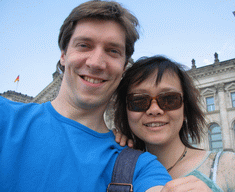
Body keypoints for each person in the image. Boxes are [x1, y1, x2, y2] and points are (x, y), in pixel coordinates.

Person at [0, 2, 175, 191]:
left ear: (124, 67)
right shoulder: (5, 116)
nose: (96, 63)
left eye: (113, 51)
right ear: (63, 55)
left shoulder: (141, 168)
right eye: (84, 45)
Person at [114, 55, 235, 192]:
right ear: (125, 112)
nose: (154, 110)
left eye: (169, 99)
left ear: (185, 109)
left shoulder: (230, 167)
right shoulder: (116, 168)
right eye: (139, 101)